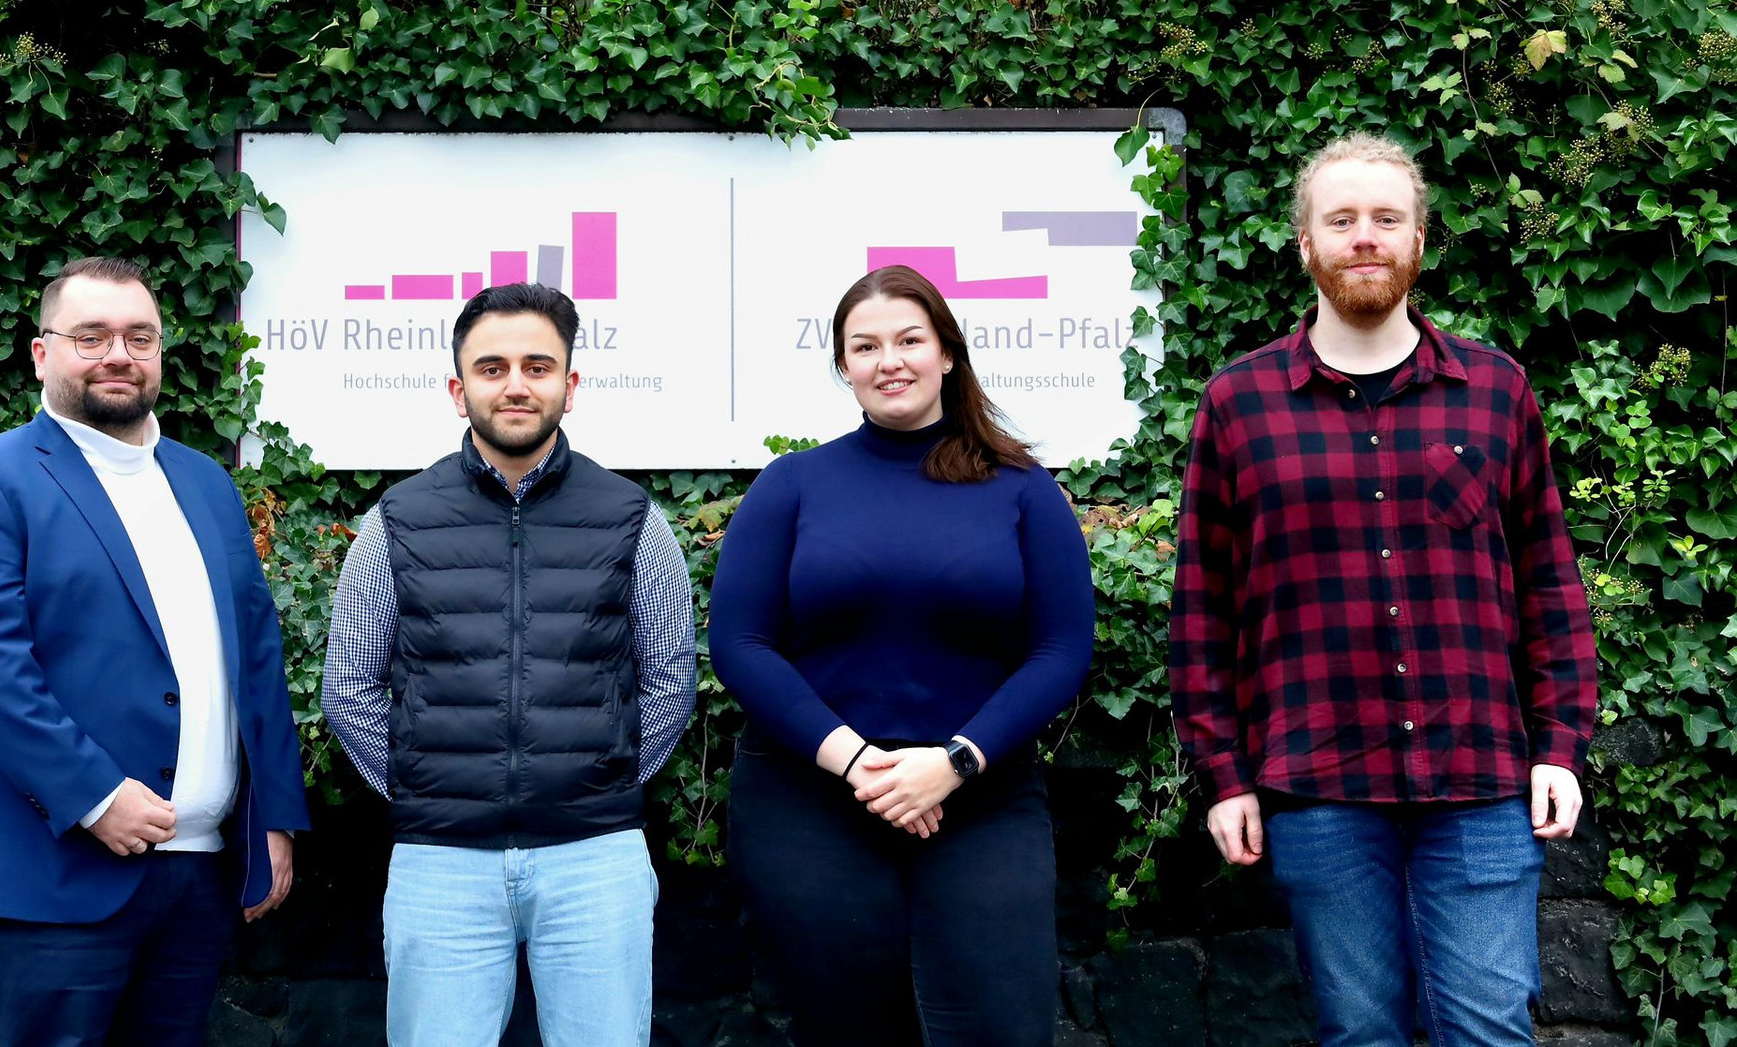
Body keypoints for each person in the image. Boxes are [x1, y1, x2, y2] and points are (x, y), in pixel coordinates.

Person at [1170, 132, 1598, 1046]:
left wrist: (1559, 745)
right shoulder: (1236, 404)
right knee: (1359, 1033)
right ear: (1305, 244)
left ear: (1417, 240)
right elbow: (1202, 610)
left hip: (1479, 777)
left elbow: (1549, 584)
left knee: (1489, 1029)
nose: (1363, 236)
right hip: (1317, 779)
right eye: (1341, 219)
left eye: (1385, 219)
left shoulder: (1494, 389)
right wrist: (1221, 773)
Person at [0, 256, 311, 1046]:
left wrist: (273, 815)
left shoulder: (205, 483)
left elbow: (256, 660)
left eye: (139, 336)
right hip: (56, 872)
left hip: (198, 876)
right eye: (90, 336)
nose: (118, 355)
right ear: (42, 352)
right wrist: (96, 795)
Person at [708, 264, 1095, 1047]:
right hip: (811, 801)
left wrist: (952, 762)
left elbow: (1060, 649)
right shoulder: (791, 485)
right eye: (866, 345)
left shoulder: (1021, 488)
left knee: (1001, 1027)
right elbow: (739, 644)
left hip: (980, 798)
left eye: (909, 340)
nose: (890, 360)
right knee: (847, 1029)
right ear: (843, 367)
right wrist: (857, 763)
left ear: (946, 353)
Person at [323, 281, 697, 1047]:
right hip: (440, 862)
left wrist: (602, 779)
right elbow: (348, 687)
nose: (516, 384)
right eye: (492, 368)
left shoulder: (634, 518)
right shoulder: (394, 521)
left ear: (571, 384)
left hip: (595, 857)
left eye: (537, 365)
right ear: (459, 392)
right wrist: (426, 785)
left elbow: (670, 679)